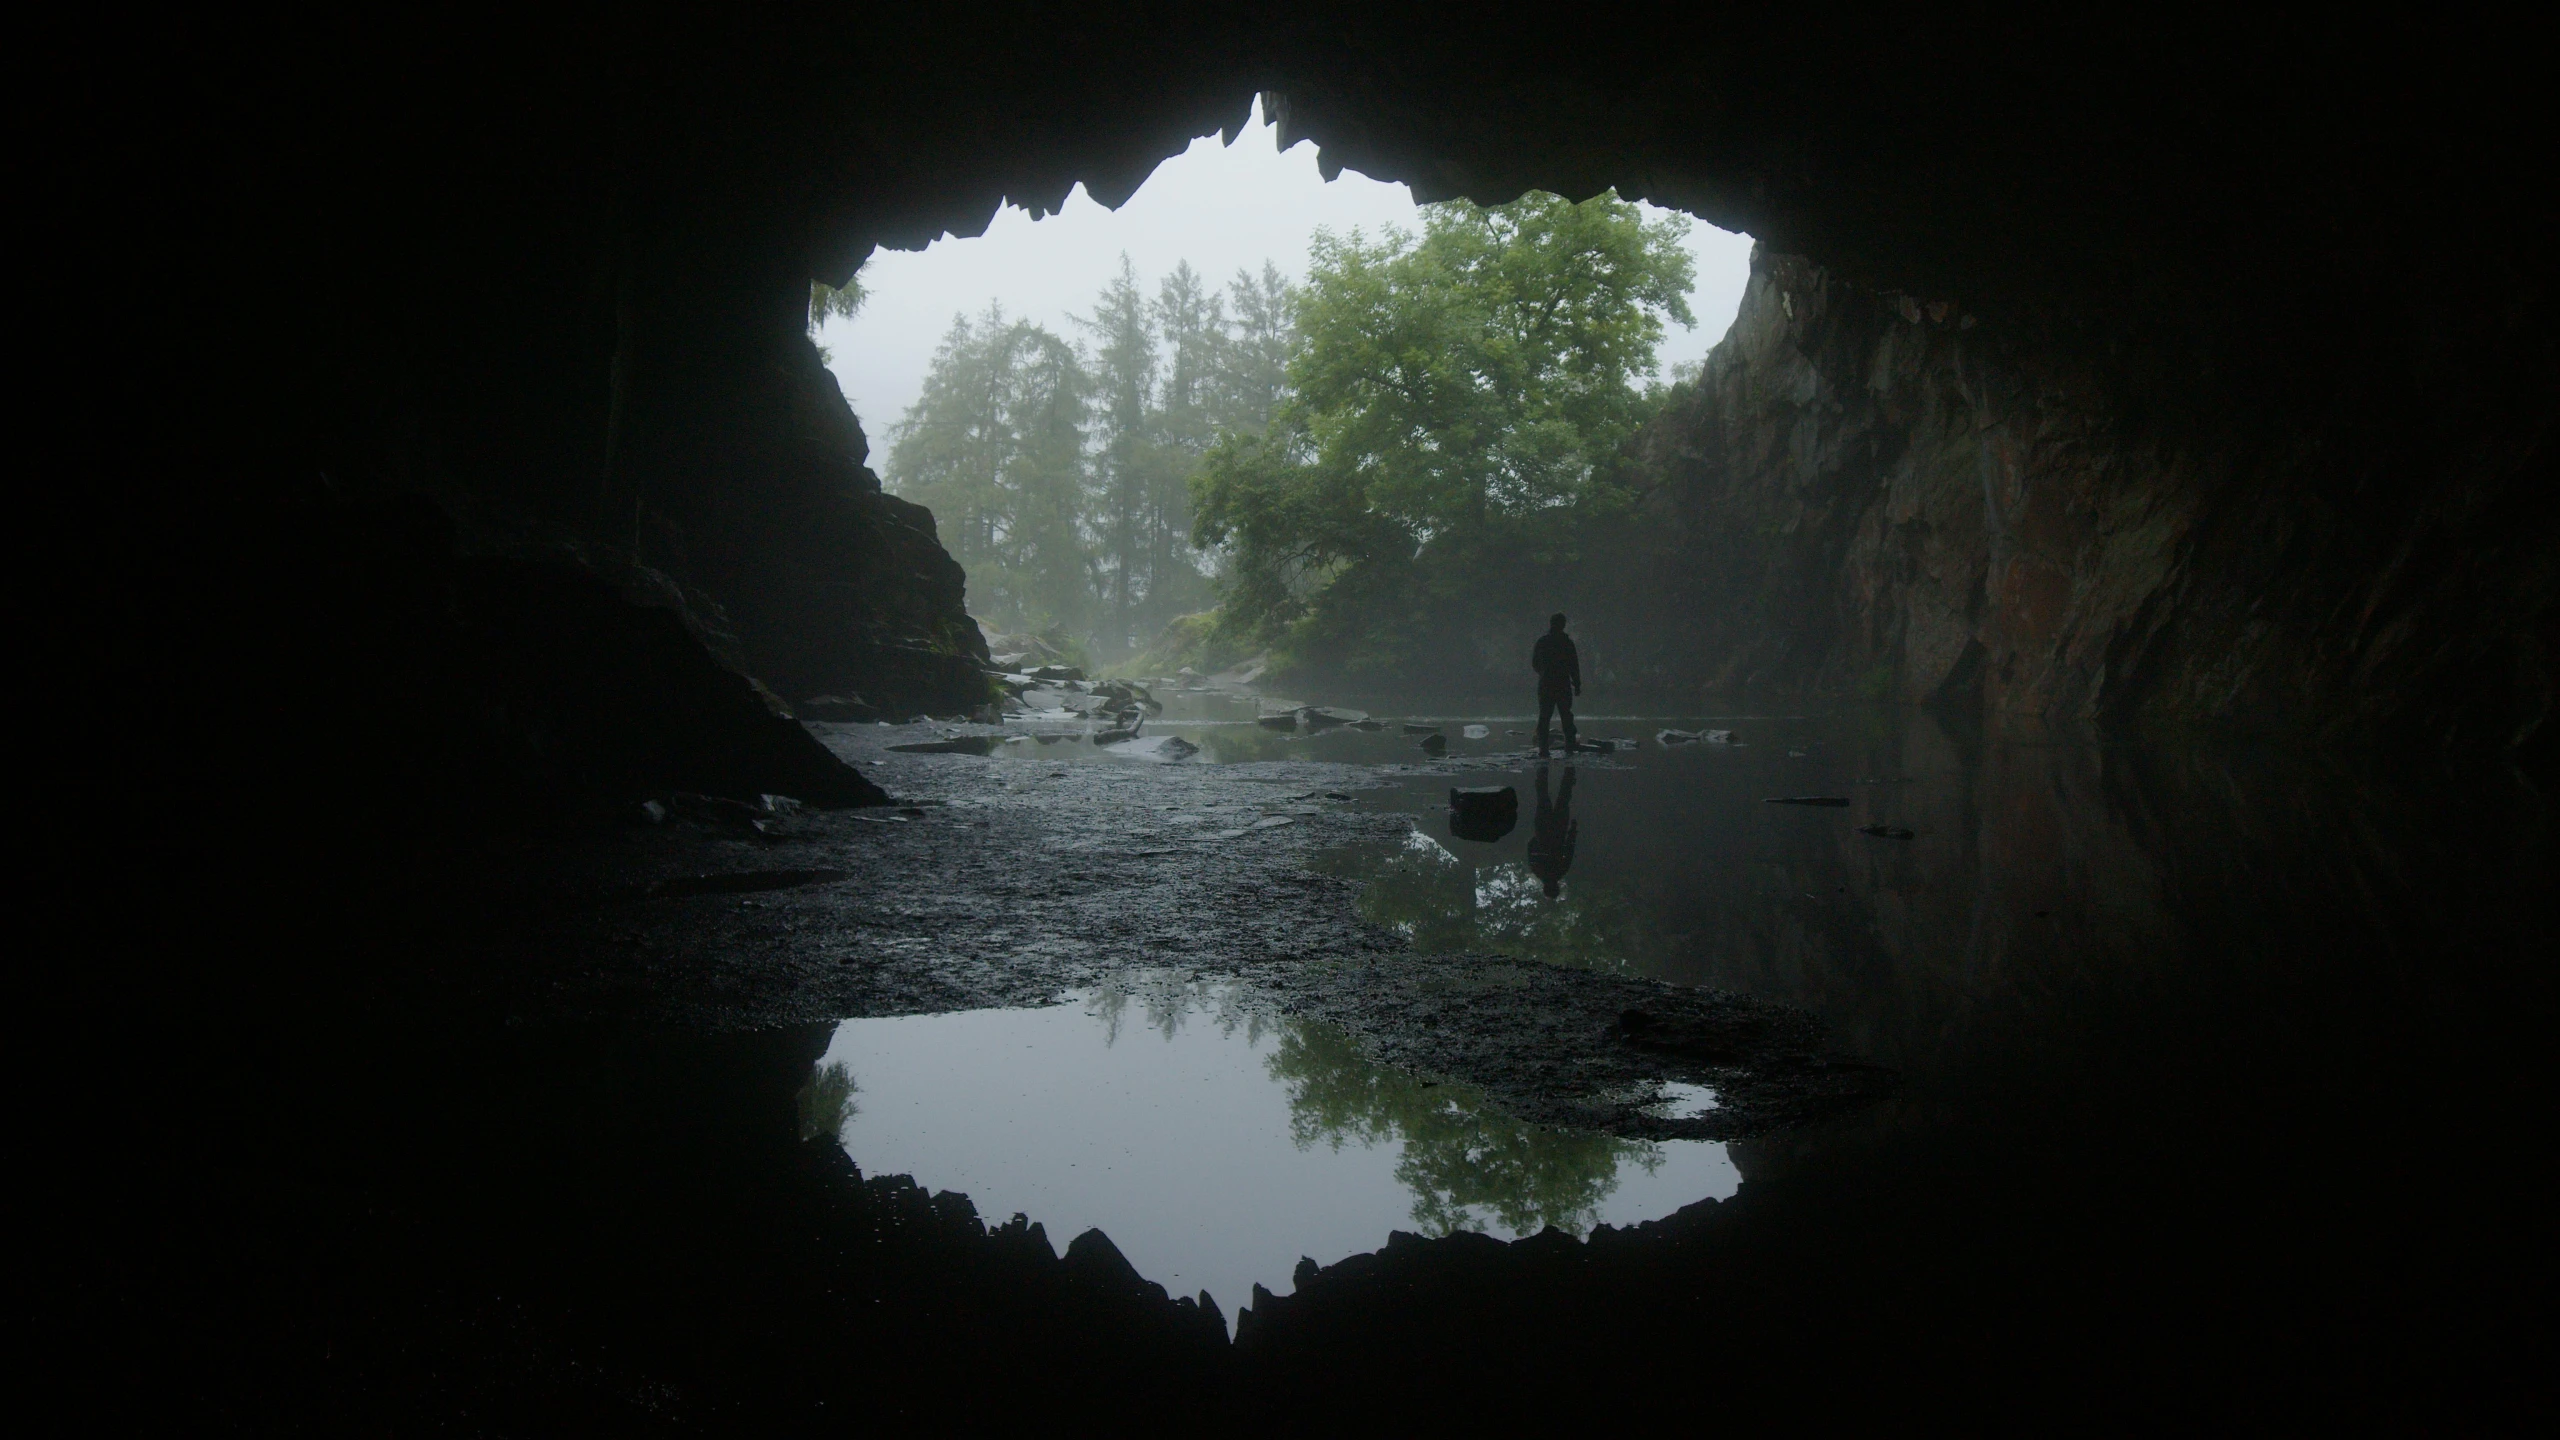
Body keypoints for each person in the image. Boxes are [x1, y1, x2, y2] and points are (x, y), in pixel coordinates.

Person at [1531, 612, 1580, 756]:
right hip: (1563, 684)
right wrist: (1577, 684)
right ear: (1563, 625)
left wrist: (1544, 673)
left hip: (1546, 684)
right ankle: (1569, 747)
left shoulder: (1542, 642)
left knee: (1544, 716)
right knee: (1566, 716)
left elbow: (1534, 664)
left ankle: (1543, 749)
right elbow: (1574, 666)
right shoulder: (1567, 643)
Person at [1526, 764, 1578, 898]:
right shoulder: (1537, 870)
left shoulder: (1561, 871)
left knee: (1563, 799)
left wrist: (1572, 830)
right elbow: (1530, 849)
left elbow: (1569, 848)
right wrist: (1536, 838)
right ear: (1544, 887)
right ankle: (1543, 769)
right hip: (1542, 830)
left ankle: (1569, 770)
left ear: (1556, 887)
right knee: (1543, 799)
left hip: (1559, 831)